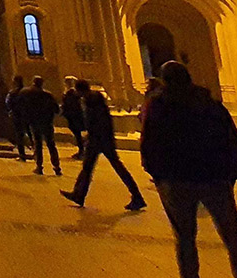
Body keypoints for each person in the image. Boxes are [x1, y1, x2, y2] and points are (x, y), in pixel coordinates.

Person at [140, 60, 237, 278]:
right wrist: (232, 172)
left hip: (177, 180)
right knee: (234, 239)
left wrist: (157, 173)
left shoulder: (161, 106)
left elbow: (150, 141)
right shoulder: (209, 104)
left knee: (185, 238)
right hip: (214, 179)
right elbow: (230, 138)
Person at [61, 79, 146, 211]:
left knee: (101, 167)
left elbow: (95, 122)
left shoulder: (90, 102)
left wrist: (92, 136)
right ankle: (78, 194)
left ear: (80, 90)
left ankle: (137, 196)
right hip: (102, 139)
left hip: (98, 140)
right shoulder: (95, 100)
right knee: (91, 167)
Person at [21, 76, 62, 177]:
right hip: (47, 123)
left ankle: (39, 166)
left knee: (38, 144)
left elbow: (23, 107)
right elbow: (56, 109)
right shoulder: (48, 95)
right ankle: (57, 167)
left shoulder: (27, 93)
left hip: (34, 122)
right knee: (51, 145)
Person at [60, 76, 87, 159]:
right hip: (76, 116)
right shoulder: (75, 93)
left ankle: (82, 150)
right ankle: (82, 149)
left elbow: (70, 105)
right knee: (78, 134)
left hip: (74, 116)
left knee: (77, 134)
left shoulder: (70, 93)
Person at [6, 76, 28, 162]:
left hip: (17, 116)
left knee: (19, 135)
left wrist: (11, 111)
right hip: (26, 115)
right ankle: (35, 151)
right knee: (29, 133)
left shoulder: (13, 92)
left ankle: (22, 155)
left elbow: (8, 102)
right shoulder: (26, 92)